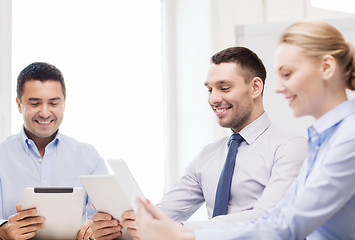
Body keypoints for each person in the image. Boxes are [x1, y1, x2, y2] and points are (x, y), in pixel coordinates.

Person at [134, 19, 355, 240]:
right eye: (210, 89)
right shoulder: (321, 139)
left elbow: (286, 225)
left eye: (287, 74)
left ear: (326, 67)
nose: (278, 87)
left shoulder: (347, 137)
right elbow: (278, 218)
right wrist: (137, 222)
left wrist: (186, 234)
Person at [91, 47, 307, 239]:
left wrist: (182, 231)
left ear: (255, 88)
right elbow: (166, 211)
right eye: (210, 89)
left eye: (224, 88)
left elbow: (267, 217)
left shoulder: (290, 147)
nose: (213, 99)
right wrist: (122, 223)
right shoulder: (208, 156)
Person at [0, 62, 118, 240]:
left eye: (53, 103)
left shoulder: (88, 157)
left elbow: (106, 218)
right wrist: (3, 231)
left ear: (64, 103)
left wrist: (96, 229)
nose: (45, 113)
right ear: (19, 105)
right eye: (35, 103)